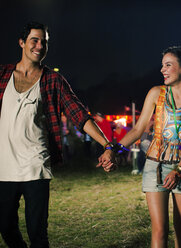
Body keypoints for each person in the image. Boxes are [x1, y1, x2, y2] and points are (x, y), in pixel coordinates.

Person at [0, 21, 113, 248]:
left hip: (36, 167)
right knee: (5, 228)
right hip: (4, 169)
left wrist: (107, 145)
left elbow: (78, 114)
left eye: (44, 42)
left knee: (37, 233)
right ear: (22, 43)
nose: (40, 46)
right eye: (35, 40)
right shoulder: (2, 75)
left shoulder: (53, 80)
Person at [99, 46, 181, 248]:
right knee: (159, 230)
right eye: (162, 66)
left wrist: (178, 169)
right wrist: (113, 149)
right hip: (155, 167)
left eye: (168, 65)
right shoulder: (155, 93)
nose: (162, 70)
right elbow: (138, 129)